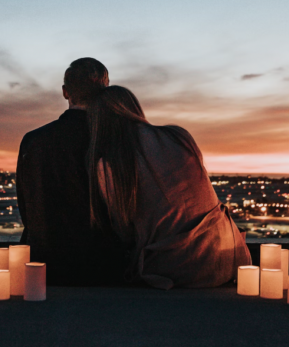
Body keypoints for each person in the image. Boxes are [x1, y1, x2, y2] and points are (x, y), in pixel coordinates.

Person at [87, 85, 251, 289]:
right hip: (229, 257)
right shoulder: (179, 136)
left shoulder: (110, 164)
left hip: (176, 269)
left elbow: (124, 232)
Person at [16, 58, 127, 285]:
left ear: (65, 92)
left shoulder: (33, 141)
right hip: (103, 267)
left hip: (44, 265)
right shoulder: (117, 141)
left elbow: (28, 211)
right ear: (105, 91)